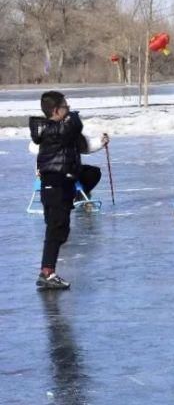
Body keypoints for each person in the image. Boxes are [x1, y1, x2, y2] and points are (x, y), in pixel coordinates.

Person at [29, 91, 109, 290]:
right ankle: (47, 273)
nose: (69, 110)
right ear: (56, 110)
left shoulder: (62, 131)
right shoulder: (53, 130)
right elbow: (74, 125)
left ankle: (48, 271)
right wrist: (72, 116)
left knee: (60, 230)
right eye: (66, 106)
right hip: (54, 184)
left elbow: (82, 144)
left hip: (62, 184)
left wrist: (100, 142)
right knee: (56, 230)